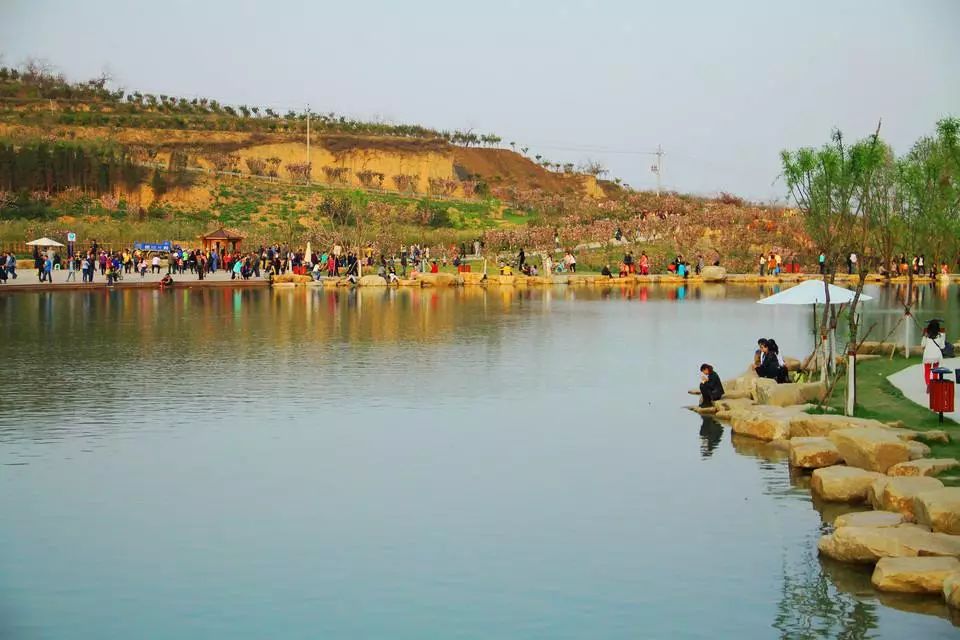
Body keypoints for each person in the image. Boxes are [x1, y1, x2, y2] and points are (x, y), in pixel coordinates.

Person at [921, 320, 946, 393]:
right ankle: (934, 386)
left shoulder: (926, 335)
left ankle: (928, 384)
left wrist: (924, 337)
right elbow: (942, 347)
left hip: (927, 356)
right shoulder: (941, 335)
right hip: (936, 356)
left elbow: (922, 345)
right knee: (935, 370)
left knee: (927, 371)